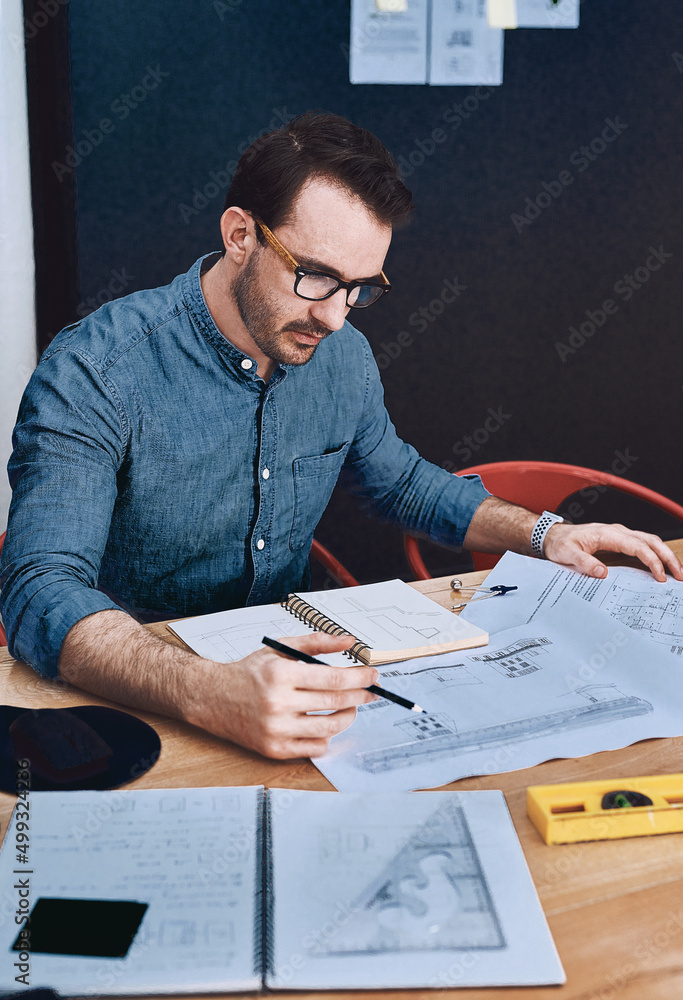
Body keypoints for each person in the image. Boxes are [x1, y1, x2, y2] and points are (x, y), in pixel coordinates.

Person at [1, 112, 681, 760]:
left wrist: (544, 536)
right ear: (240, 234)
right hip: (136, 703)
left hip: (299, 686)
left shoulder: (340, 354)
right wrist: (206, 689)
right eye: (316, 276)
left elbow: (400, 484)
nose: (332, 316)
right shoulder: (97, 371)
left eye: (358, 287)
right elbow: (41, 586)